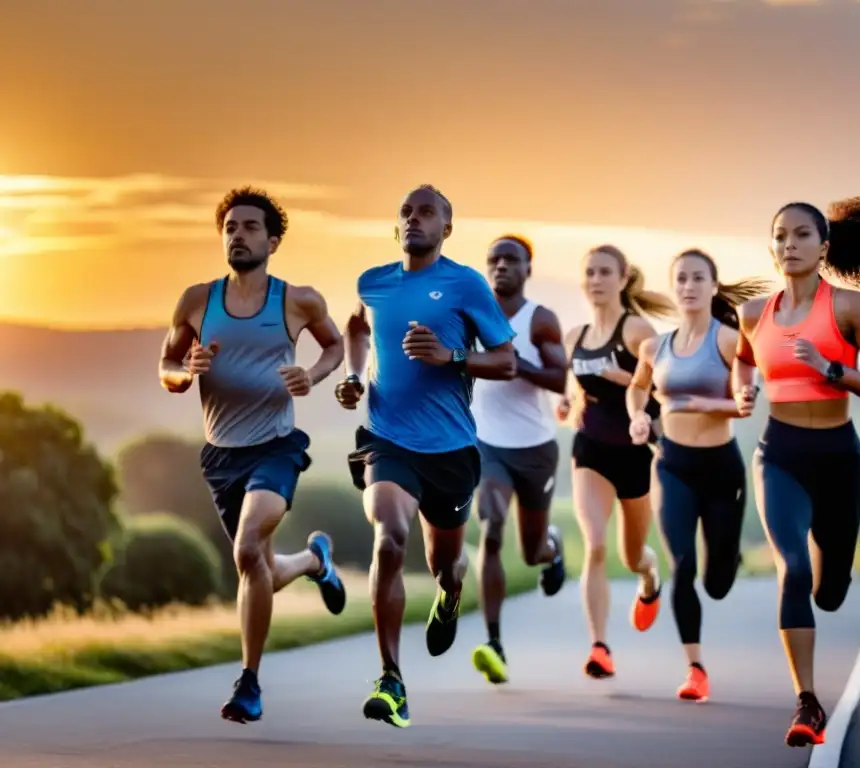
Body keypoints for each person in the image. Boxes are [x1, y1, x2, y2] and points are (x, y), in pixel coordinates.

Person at [731, 196, 860, 747]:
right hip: (779, 453)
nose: (789, 245)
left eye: (801, 236)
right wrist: (742, 389)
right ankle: (807, 703)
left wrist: (832, 369)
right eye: (780, 236)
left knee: (829, 589)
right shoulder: (752, 313)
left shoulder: (849, 308)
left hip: (839, 459)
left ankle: (832, 576)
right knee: (791, 569)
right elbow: (744, 357)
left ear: (824, 246)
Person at [158, 186, 348, 724]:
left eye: (249, 227)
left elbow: (333, 346)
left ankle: (249, 682)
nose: (237, 235)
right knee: (259, 565)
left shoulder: (298, 300)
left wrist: (309, 374)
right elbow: (166, 367)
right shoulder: (197, 300)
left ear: (273, 239)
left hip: (276, 447)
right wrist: (184, 373)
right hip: (222, 456)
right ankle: (315, 561)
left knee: (246, 552)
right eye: (230, 228)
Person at [335, 184, 517, 728]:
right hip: (387, 439)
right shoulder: (375, 282)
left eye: (427, 213)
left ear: (446, 228)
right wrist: (351, 375)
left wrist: (452, 356)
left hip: (451, 450)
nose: (415, 219)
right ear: (398, 226)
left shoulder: (465, 284)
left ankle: (450, 594)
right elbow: (355, 327)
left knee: (446, 565)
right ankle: (391, 680)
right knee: (389, 536)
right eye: (406, 212)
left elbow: (506, 361)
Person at [625, 249, 771, 701]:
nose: (688, 286)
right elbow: (637, 387)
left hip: (721, 469)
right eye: (681, 279)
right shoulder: (655, 347)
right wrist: (638, 417)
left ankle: (729, 560)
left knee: (718, 582)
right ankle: (695, 669)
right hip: (672, 467)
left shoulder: (729, 341)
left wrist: (709, 404)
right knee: (683, 565)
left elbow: (745, 404)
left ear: (713, 286)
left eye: (697, 279)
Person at [555, 245, 674, 679]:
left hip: (634, 454)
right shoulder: (576, 337)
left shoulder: (636, 329)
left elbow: (662, 386)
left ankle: (649, 577)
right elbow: (578, 389)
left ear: (623, 278)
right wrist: (567, 405)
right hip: (590, 451)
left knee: (630, 556)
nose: (596, 280)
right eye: (589, 272)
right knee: (596, 544)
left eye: (605, 272)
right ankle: (599, 647)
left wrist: (625, 380)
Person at [468, 234, 569, 685]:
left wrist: (513, 363)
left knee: (530, 553)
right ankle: (494, 642)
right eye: (494, 260)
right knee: (490, 529)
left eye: (511, 260)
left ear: (528, 268)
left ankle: (553, 545)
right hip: (487, 445)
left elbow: (559, 377)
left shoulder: (539, 320)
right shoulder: (470, 314)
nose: (501, 266)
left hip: (535, 449)